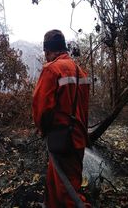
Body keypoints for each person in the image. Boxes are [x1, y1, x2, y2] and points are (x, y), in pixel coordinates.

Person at [32, 29, 91, 207]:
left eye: (46, 53)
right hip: (77, 139)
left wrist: (43, 129)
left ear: (49, 51)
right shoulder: (81, 73)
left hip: (61, 141)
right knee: (54, 187)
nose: (46, 57)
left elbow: (41, 106)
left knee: (69, 194)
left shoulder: (52, 69)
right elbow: (84, 110)